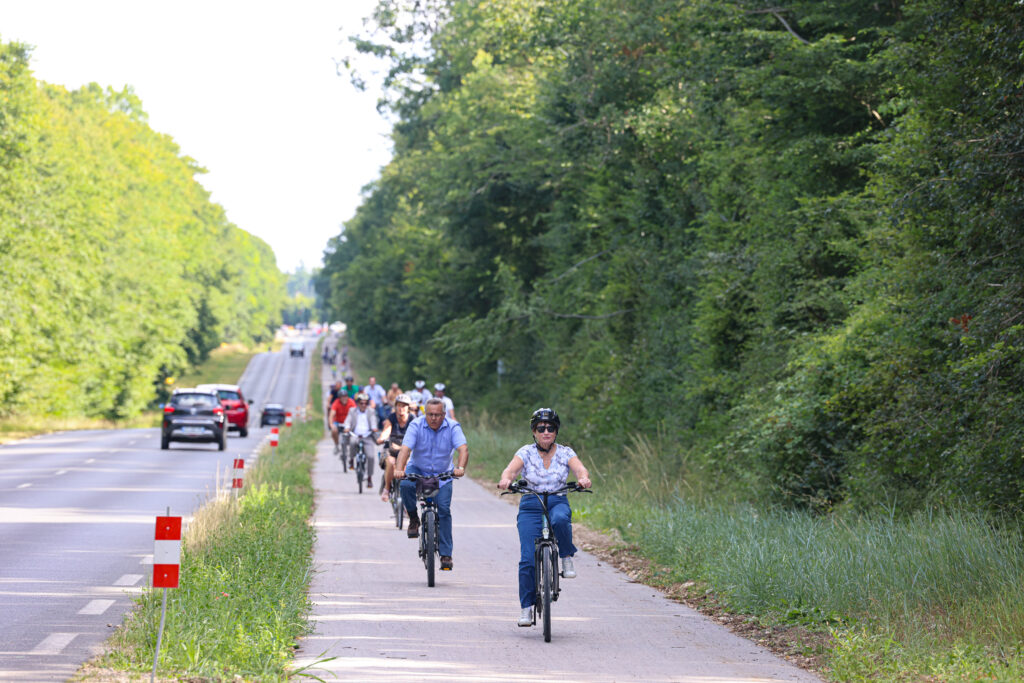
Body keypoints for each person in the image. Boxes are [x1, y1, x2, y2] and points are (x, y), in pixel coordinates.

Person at [497, 408, 591, 627]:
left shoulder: (566, 452)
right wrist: (505, 480)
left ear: (556, 431)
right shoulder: (526, 452)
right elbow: (510, 471)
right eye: (541, 428)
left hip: (557, 499)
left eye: (551, 428)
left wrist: (584, 479)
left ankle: (566, 557)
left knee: (560, 520)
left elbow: (579, 469)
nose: (546, 432)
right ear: (534, 431)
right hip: (531, 503)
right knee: (527, 559)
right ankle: (526, 608)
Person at [394, 397, 469, 571]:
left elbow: (463, 449)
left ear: (444, 414)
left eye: (437, 415)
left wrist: (460, 467)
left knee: (443, 509)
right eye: (430, 414)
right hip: (418, 468)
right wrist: (399, 469)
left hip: (443, 474)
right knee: (405, 485)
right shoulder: (416, 425)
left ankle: (446, 554)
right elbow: (405, 450)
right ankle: (413, 518)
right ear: (424, 413)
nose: (433, 418)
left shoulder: (452, 427)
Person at [377, 392, 415, 502]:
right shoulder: (391, 417)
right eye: (399, 405)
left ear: (408, 408)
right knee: (390, 462)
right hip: (392, 448)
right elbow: (386, 430)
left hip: (407, 450)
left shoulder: (413, 419)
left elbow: (417, 434)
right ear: (395, 406)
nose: (401, 408)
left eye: (404, 405)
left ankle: (409, 496)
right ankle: (387, 489)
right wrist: (382, 438)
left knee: (409, 466)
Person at [342, 392, 379, 486]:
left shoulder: (371, 411)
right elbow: (348, 420)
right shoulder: (352, 411)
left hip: (367, 436)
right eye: (361, 403)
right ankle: (351, 459)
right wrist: (347, 427)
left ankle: (369, 478)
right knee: (352, 443)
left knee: (370, 456)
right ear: (357, 403)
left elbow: (373, 420)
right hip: (355, 435)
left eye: (365, 403)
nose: (363, 405)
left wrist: (374, 427)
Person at [329, 391, 356, 458]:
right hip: (338, 422)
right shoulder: (336, 402)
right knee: (334, 430)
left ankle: (355, 447)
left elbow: (356, 413)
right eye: (342, 397)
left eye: (345, 396)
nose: (344, 398)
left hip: (348, 423)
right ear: (339, 398)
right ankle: (336, 445)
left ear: (347, 397)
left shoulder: (351, 402)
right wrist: (331, 424)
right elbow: (331, 414)